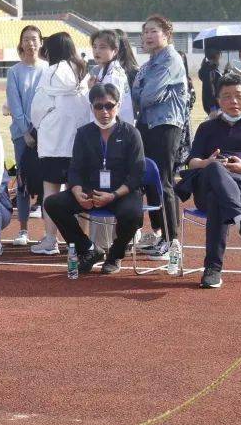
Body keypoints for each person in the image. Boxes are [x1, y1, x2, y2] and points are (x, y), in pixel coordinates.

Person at [178, 72, 241, 289]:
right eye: (226, 96)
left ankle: (213, 269)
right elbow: (192, 161)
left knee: (218, 200)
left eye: (238, 95)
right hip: (205, 184)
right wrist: (208, 162)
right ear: (218, 100)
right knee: (216, 167)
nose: (233, 101)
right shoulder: (207, 127)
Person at [44, 82, 145, 275]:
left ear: (118, 105)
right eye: (99, 106)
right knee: (53, 203)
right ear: (92, 107)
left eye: (109, 105)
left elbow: (136, 175)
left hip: (122, 192)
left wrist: (113, 196)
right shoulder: (84, 133)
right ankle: (89, 250)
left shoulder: (131, 133)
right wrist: (77, 191)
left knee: (133, 214)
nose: (104, 111)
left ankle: (115, 255)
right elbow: (75, 169)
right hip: (91, 192)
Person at [131, 15, 188, 261]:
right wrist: (143, 92)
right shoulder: (149, 63)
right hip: (146, 124)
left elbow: (147, 96)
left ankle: (172, 239)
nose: (148, 36)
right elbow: (136, 93)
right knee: (150, 181)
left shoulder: (171, 59)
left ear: (166, 34)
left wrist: (144, 92)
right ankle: (159, 234)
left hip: (165, 126)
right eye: (145, 32)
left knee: (164, 181)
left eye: (153, 31)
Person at [29, 32, 91, 256]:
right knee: (81, 192)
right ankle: (79, 242)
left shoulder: (50, 72)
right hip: (79, 142)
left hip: (54, 141)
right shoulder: (83, 72)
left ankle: (50, 239)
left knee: (51, 192)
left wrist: (40, 124)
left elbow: (37, 107)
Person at [5, 25, 47, 248]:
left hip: (46, 134)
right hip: (22, 136)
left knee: (47, 182)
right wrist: (26, 132)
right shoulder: (14, 72)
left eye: (34, 39)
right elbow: (15, 103)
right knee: (22, 182)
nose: (30, 43)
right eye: (26, 39)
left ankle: (48, 232)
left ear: (41, 42)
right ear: (21, 43)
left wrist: (39, 130)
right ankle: (22, 229)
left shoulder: (48, 70)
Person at [89, 29, 136, 124]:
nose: (97, 51)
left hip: (113, 129)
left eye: (102, 47)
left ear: (115, 51)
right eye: (94, 47)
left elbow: (108, 108)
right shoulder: (105, 70)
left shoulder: (113, 75)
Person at [199, 49, 223, 117]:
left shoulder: (209, 69)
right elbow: (210, 90)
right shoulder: (211, 71)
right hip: (215, 107)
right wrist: (213, 107)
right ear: (217, 55)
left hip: (214, 106)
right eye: (220, 54)